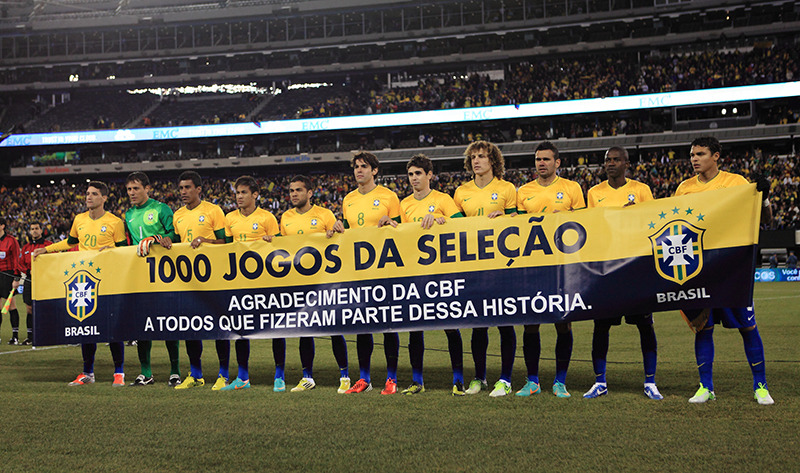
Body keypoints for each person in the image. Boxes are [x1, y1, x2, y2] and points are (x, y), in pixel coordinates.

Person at [675, 136, 774, 405]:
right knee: (703, 328)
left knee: (747, 326)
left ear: (716, 156)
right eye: (692, 154)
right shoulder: (683, 189)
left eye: (701, 154)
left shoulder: (736, 183)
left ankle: (761, 386)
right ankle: (705, 387)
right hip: (700, 269)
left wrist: (764, 199)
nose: (694, 159)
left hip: (731, 267)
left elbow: (766, 221)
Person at [582, 147, 662, 400]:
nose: (611, 164)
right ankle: (600, 381)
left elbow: (653, 226)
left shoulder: (641, 190)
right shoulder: (594, 193)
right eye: (607, 160)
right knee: (601, 326)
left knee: (645, 326)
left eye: (616, 160)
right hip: (607, 268)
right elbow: (592, 228)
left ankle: (650, 381)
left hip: (635, 267)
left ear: (627, 163)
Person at [31, 181, 127, 386]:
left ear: (104, 198)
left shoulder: (115, 222)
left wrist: (111, 249)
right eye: (87, 194)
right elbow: (70, 243)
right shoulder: (79, 219)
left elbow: (124, 250)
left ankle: (119, 372)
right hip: (84, 281)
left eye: (94, 194)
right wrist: (46, 250)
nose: (88, 197)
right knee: (86, 326)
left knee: (112, 327)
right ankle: (87, 373)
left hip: (108, 280)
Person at [515, 141, 585, 399]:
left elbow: (584, 225)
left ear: (557, 163)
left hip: (562, 267)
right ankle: (532, 380)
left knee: (562, 323)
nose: (541, 163)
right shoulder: (523, 191)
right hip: (531, 267)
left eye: (546, 159)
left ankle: (560, 381)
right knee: (530, 324)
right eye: (537, 159)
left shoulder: (571, 188)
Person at [452, 141, 517, 397]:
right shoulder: (461, 192)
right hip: (473, 268)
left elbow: (518, 221)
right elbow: (454, 228)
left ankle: (506, 379)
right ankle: (479, 378)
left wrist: (506, 219)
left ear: (493, 161)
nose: (476, 160)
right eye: (473, 157)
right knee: (478, 324)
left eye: (482, 156)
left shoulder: (506, 188)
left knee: (505, 322)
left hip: (500, 267)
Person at [333, 151, 401, 394]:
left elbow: (403, 231)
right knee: (362, 325)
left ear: (374, 171)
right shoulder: (348, 199)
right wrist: (338, 227)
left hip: (385, 269)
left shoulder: (388, 196)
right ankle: (364, 379)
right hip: (358, 272)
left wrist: (392, 224)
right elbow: (348, 232)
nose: (358, 170)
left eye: (364, 166)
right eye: (356, 167)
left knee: (387, 325)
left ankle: (391, 379)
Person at [277, 175, 350, 394]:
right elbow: (283, 249)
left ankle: (344, 376)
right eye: (291, 191)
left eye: (298, 190)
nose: (294, 194)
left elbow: (339, 240)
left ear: (310, 193)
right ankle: (307, 376)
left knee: (335, 329)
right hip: (299, 283)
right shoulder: (285, 218)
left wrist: (332, 233)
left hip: (325, 282)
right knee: (304, 330)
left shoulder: (324, 214)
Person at [400, 154, 465, 395]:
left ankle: (458, 380)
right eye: (410, 174)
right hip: (416, 274)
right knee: (415, 328)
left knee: (450, 325)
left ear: (429, 175)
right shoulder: (404, 204)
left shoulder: (443, 199)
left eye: (418, 173)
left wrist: (441, 219)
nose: (414, 178)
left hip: (442, 272)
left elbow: (463, 226)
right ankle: (417, 381)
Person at [158, 171, 228, 390]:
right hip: (188, 280)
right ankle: (196, 374)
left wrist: (205, 240)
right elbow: (178, 243)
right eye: (180, 188)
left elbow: (225, 241)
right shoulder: (177, 215)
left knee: (220, 327)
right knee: (190, 327)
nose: (183, 192)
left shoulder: (213, 210)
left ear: (199, 189)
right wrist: (168, 241)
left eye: (188, 187)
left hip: (214, 277)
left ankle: (223, 374)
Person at [220, 175, 280, 391]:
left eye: (244, 192)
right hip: (239, 283)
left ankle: (279, 376)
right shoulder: (229, 219)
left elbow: (280, 250)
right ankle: (243, 377)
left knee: (277, 329)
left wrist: (270, 243)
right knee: (240, 330)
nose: (239, 197)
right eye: (237, 193)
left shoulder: (267, 218)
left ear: (255, 195)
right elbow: (225, 250)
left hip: (266, 282)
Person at [123, 172, 182, 387]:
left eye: (136, 188)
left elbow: (174, 236)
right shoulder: (128, 214)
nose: (132, 193)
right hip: (140, 276)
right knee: (142, 325)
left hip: (165, 274)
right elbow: (127, 247)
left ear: (147, 189)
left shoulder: (161, 209)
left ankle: (175, 372)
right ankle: (145, 373)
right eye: (129, 189)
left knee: (168, 323)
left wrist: (157, 238)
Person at [17, 221, 51, 345]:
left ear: (41, 230)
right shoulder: (25, 248)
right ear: (30, 231)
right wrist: (27, 271)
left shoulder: (48, 246)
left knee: (45, 308)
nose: (34, 231)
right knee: (29, 309)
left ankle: (47, 334)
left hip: (44, 280)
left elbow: (54, 260)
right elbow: (20, 263)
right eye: (32, 229)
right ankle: (30, 337)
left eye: (37, 228)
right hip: (29, 280)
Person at [0, 217, 22, 345]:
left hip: (8, 275)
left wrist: (16, 278)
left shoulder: (11, 241)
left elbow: (16, 260)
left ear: (2, 226)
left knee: (11, 306)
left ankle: (15, 336)